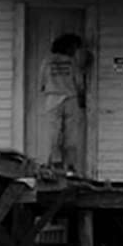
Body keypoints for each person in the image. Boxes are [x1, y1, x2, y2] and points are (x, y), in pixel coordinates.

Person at [39, 33, 92, 172]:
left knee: (53, 133)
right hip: (71, 99)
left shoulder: (47, 61)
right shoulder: (71, 61)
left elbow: (41, 83)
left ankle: (54, 164)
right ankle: (69, 166)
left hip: (52, 99)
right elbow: (79, 83)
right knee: (71, 134)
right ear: (68, 47)